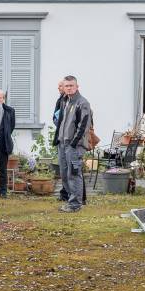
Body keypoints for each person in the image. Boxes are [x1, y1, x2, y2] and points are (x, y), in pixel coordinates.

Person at [56, 75, 93, 213]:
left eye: (72, 85)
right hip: (62, 144)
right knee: (64, 174)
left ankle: (75, 204)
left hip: (74, 146)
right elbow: (60, 122)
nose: (69, 88)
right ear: (63, 88)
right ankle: (70, 201)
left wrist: (73, 144)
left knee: (74, 174)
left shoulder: (82, 103)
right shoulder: (65, 101)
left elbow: (83, 126)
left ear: (77, 86)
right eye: (67, 86)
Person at [0, 88, 17, 198]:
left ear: (4, 99)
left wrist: (4, 135)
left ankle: (3, 191)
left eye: (0, 97)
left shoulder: (10, 110)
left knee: (2, 168)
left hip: (3, 143)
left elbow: (11, 127)